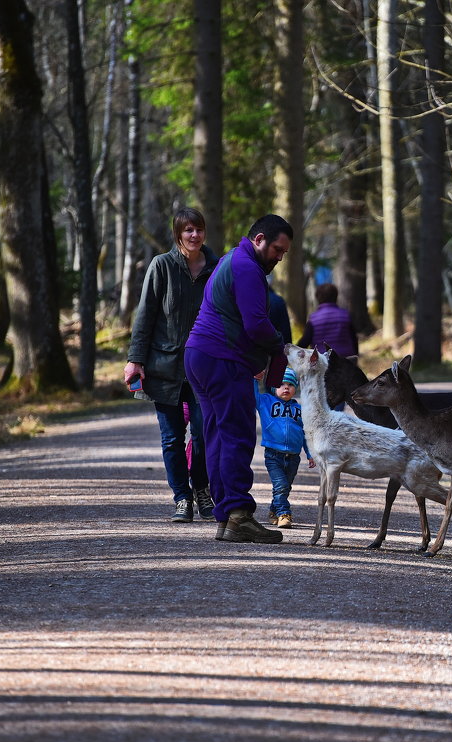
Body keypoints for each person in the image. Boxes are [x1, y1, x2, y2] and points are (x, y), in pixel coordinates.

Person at [185, 214, 295, 544]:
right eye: (277, 249)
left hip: (199, 355)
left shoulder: (229, 260)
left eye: (285, 253)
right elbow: (256, 324)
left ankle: (227, 515)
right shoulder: (246, 267)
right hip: (220, 359)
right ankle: (238, 516)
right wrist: (280, 346)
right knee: (236, 435)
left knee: (218, 434)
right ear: (259, 239)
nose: (279, 257)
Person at [124, 207, 218, 523]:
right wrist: (135, 359)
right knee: (172, 438)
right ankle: (182, 498)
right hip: (165, 368)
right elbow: (145, 314)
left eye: (199, 229)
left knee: (205, 434)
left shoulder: (217, 268)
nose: (194, 235)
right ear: (178, 233)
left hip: (204, 368)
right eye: (188, 230)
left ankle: (202, 489)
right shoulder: (161, 266)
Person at [255, 369, 314, 529]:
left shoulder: (300, 410)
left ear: (295, 388)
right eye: (281, 384)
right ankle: (284, 514)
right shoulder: (266, 402)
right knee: (280, 485)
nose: (286, 388)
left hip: (294, 456)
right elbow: (252, 396)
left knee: (285, 487)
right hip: (273, 455)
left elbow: (306, 433)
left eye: (290, 385)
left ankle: (274, 511)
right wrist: (256, 380)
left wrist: (310, 454)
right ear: (274, 387)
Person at [297, 283, 358, 361]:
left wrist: (294, 353)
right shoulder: (345, 316)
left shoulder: (313, 319)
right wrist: (356, 355)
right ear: (336, 297)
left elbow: (304, 342)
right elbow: (354, 339)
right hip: (346, 360)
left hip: (323, 361)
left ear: (318, 299)